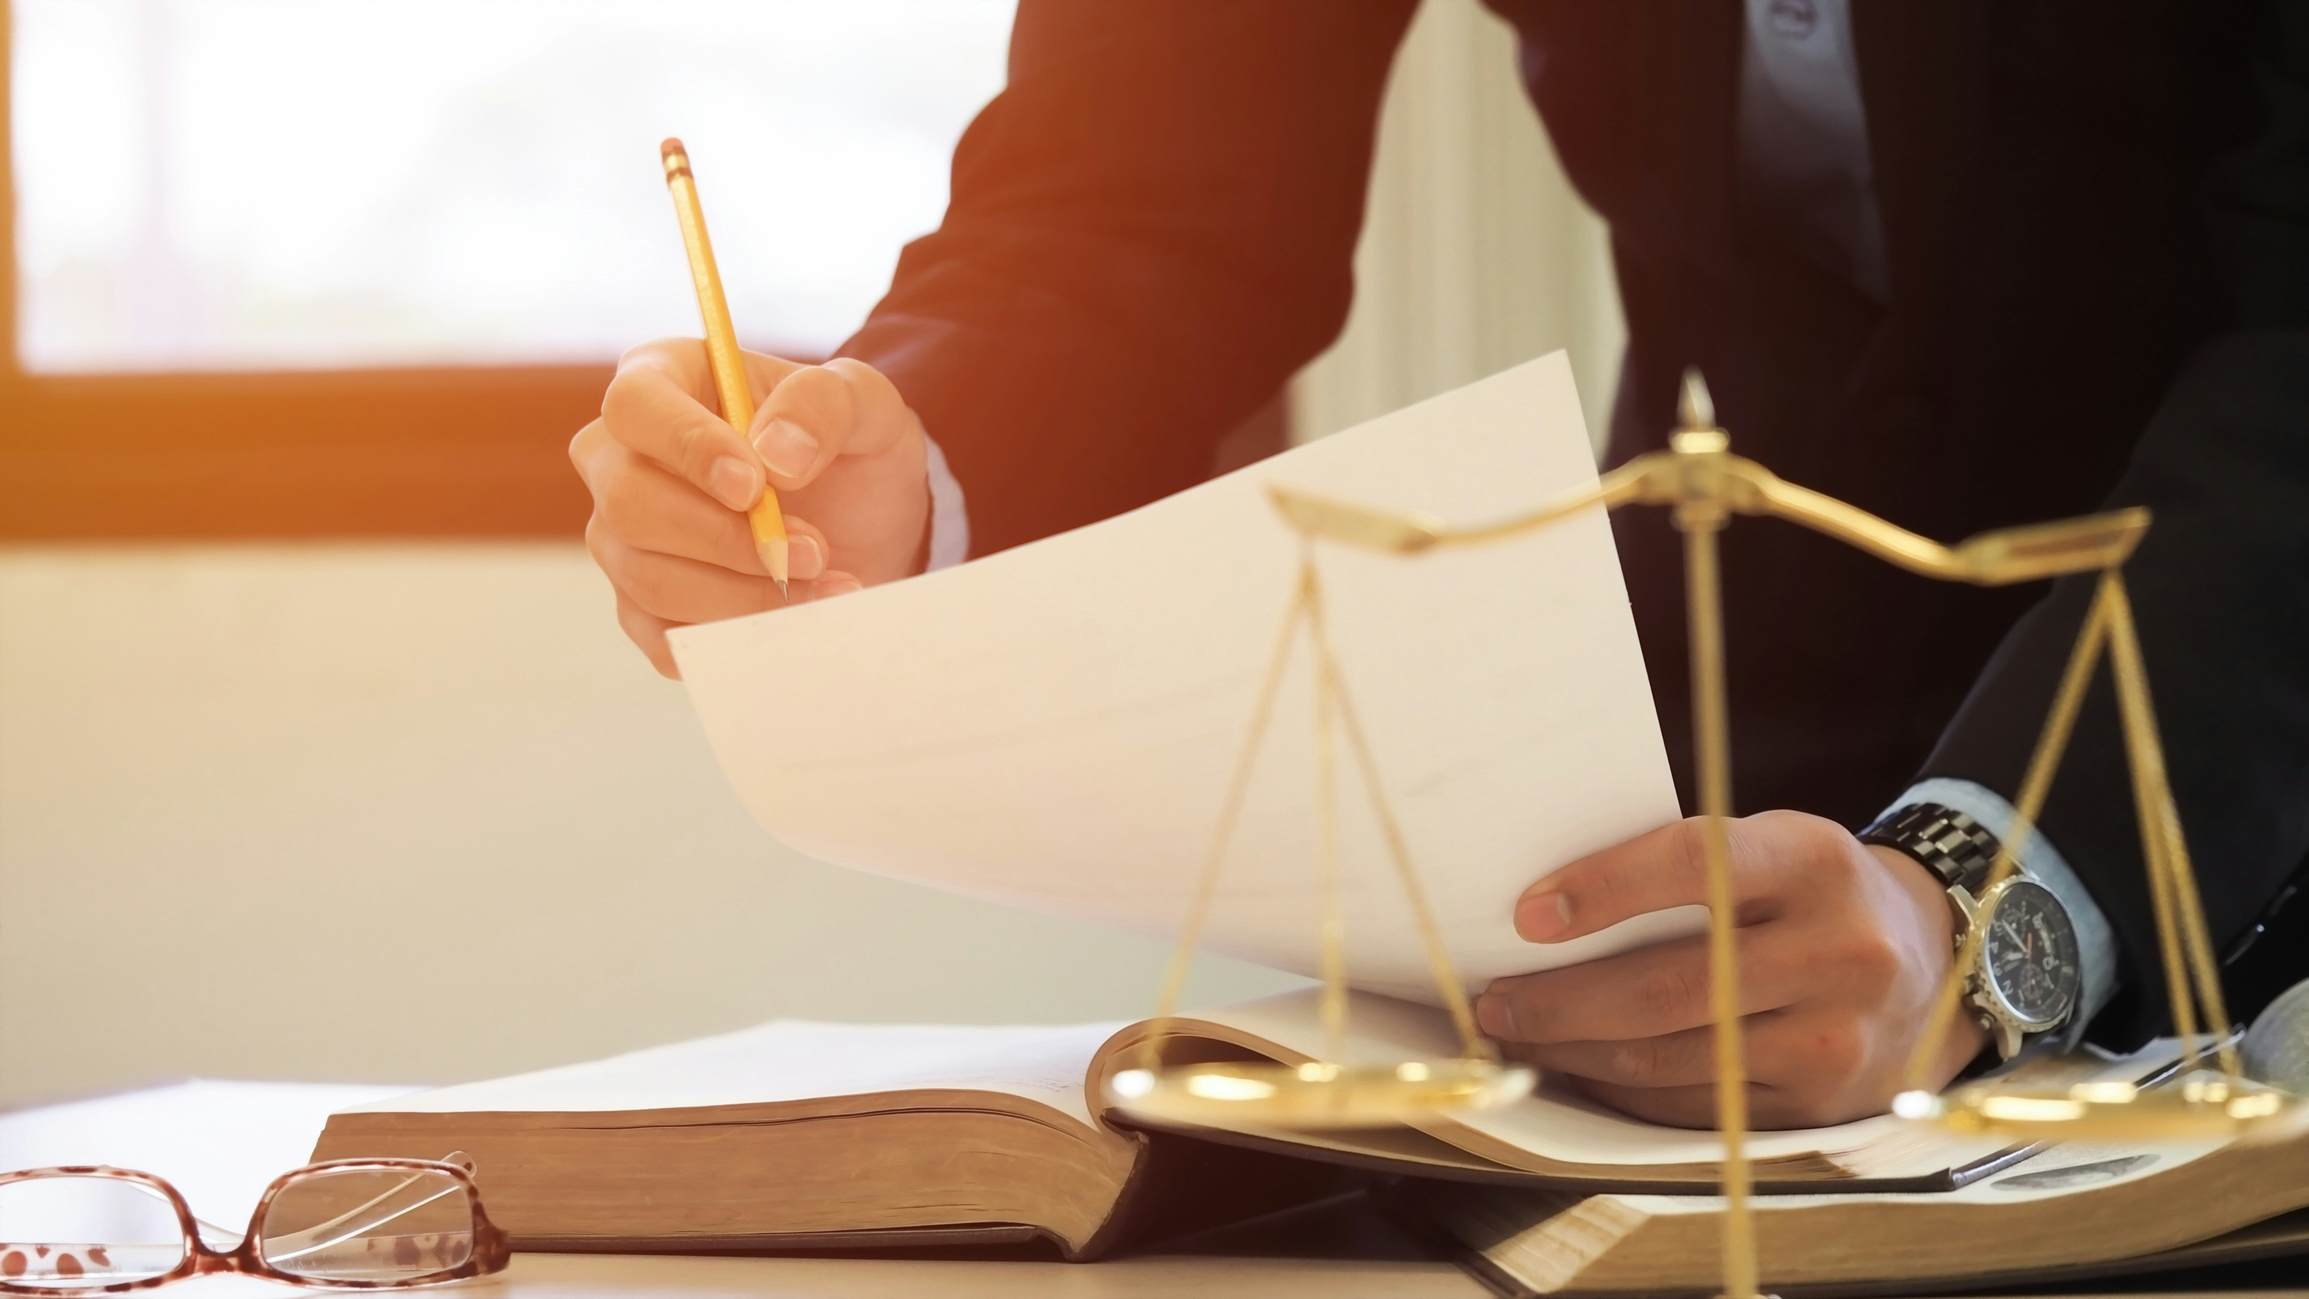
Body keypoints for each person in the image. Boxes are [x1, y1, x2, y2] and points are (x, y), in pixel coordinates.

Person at [568, 1, 2309, 1127]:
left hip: (2241, 745)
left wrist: (1985, 900)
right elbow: (1142, 186)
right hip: (1726, 756)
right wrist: (910, 466)